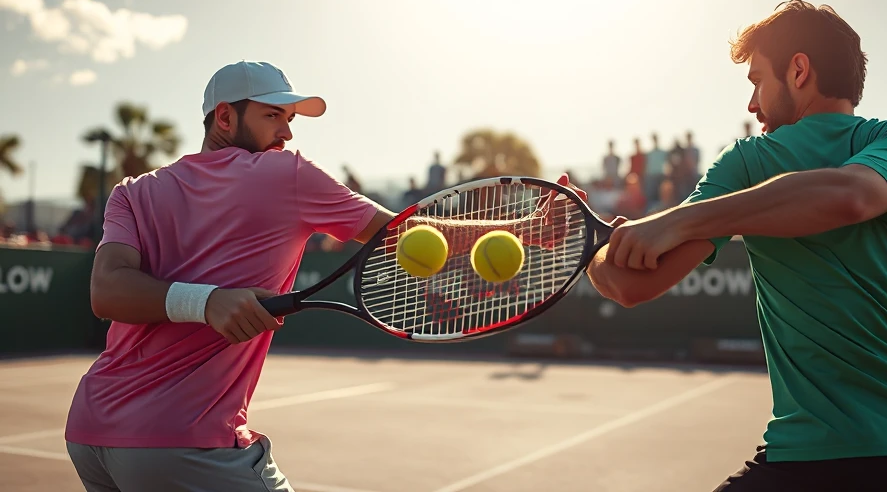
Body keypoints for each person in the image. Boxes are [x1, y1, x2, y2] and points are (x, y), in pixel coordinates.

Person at [63, 60, 577, 492]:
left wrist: (203, 300)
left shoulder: (132, 191)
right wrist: (528, 230)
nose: (286, 132)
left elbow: (110, 289)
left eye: (289, 119)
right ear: (224, 116)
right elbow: (404, 233)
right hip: (182, 443)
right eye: (272, 116)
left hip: (90, 435)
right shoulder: (285, 174)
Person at [586, 0, 887, 491]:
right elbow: (631, 285)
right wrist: (588, 243)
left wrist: (679, 221)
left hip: (854, 459)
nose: (751, 104)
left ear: (798, 70)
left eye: (756, 81)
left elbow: (852, 196)